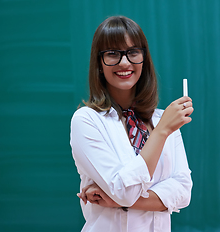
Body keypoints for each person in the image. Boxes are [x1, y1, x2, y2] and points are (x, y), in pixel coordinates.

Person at [70, 15, 193, 232]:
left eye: (133, 52)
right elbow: (125, 191)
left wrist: (117, 199)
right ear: (99, 63)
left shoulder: (161, 119)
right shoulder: (87, 121)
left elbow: (183, 191)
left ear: (144, 59)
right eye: (112, 54)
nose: (124, 62)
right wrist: (162, 131)